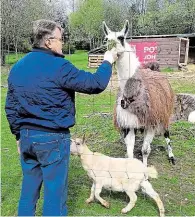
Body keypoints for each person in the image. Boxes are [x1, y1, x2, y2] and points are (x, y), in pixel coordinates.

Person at [5, 19, 118, 216]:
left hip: (27, 138)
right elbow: (95, 83)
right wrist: (107, 61)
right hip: (52, 139)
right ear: (48, 42)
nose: (63, 43)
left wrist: (18, 135)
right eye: (61, 38)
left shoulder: (17, 67)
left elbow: (11, 107)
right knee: (54, 197)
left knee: (28, 192)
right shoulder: (60, 66)